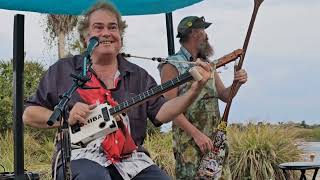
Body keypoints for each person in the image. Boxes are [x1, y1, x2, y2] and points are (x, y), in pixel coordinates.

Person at [22, 3, 213, 180]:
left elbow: (162, 112)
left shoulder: (138, 75)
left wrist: (194, 91)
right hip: (77, 156)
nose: (106, 33)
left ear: (120, 37)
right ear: (84, 38)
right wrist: (66, 117)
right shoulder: (63, 70)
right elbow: (29, 114)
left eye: (112, 27)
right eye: (98, 27)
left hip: (130, 159)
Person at [158, 16, 248, 179]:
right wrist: (196, 134)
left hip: (215, 143)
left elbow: (225, 96)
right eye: (204, 30)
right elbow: (169, 109)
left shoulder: (207, 64)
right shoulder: (172, 65)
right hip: (189, 145)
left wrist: (237, 82)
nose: (207, 36)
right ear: (194, 33)